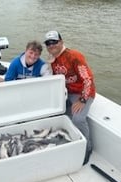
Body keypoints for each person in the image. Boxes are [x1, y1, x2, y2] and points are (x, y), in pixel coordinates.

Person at [44, 30, 96, 165]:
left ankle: (87, 147)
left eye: (54, 42)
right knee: (52, 113)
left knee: (78, 119)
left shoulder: (74, 56)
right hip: (67, 93)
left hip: (82, 93)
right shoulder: (52, 59)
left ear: (61, 42)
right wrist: (49, 65)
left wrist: (83, 100)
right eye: (48, 43)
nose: (51, 45)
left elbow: (88, 79)